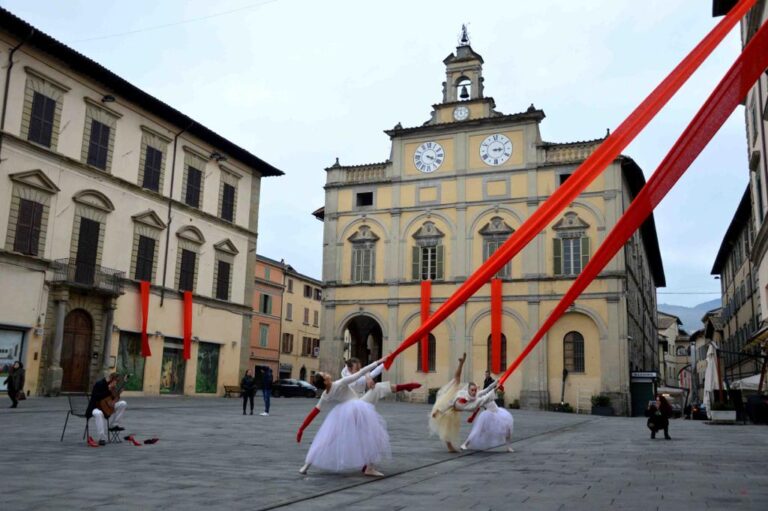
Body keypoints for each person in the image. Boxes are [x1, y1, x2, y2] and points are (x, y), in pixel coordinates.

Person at [296, 359, 391, 476]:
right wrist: (379, 362)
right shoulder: (340, 383)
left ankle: (306, 466)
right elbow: (361, 372)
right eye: (324, 375)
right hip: (357, 410)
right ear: (325, 381)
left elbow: (315, 412)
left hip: (342, 414)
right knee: (372, 436)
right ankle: (369, 468)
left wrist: (301, 429)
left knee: (326, 439)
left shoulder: (325, 395)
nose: (326, 373)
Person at [429, 353, 491, 452]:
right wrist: (438, 412)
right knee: (448, 425)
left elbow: (478, 400)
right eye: (474, 390)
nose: (475, 391)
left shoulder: (469, 394)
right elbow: (448, 404)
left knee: (457, 380)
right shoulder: (459, 393)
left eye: (476, 390)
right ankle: (449, 446)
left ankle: (461, 363)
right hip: (449, 405)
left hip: (454, 404)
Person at [461, 383, 515, 452]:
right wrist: (472, 417)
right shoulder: (476, 399)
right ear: (469, 390)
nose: (474, 391)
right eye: (472, 390)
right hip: (489, 415)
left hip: (498, 412)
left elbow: (489, 388)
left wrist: (497, 383)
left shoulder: (481, 393)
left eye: (475, 389)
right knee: (477, 430)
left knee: (508, 429)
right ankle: (465, 444)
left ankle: (508, 447)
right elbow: (477, 408)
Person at [342, 357, 421, 404]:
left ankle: (404, 387)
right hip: (355, 404)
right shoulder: (348, 379)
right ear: (349, 369)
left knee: (378, 387)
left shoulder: (351, 370)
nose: (359, 371)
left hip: (362, 399)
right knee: (378, 387)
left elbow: (364, 371)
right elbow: (369, 373)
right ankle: (405, 387)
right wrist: (368, 376)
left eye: (359, 368)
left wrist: (385, 363)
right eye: (357, 369)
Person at [86, 372, 127, 446]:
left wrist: (118, 393)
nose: (116, 383)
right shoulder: (99, 384)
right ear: (111, 379)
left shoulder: (113, 387)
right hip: (96, 407)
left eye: (117, 381)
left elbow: (114, 399)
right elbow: (96, 397)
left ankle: (114, 425)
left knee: (123, 403)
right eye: (116, 381)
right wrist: (108, 390)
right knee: (98, 413)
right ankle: (102, 438)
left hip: (107, 406)